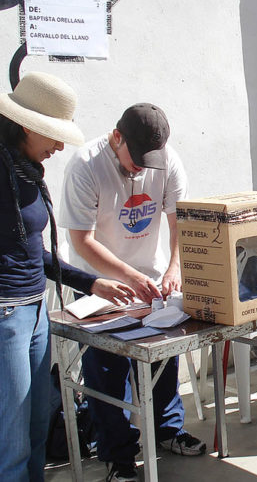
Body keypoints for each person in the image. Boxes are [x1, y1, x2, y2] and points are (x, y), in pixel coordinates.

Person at [59, 103, 204, 481]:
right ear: (116, 137)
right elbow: (82, 240)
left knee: (163, 357)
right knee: (107, 369)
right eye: (135, 159)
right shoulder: (85, 166)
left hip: (152, 280)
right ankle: (119, 455)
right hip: (100, 285)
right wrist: (127, 277)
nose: (141, 168)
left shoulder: (167, 161)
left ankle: (167, 431)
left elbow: (178, 223)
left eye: (148, 161)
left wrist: (174, 268)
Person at [0, 72, 133, 482]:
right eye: (53, 136)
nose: (59, 147)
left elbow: (35, 253)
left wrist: (92, 283)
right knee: (14, 436)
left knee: (40, 421)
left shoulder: (24, 170)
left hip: (37, 310)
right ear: (27, 125)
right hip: (7, 315)